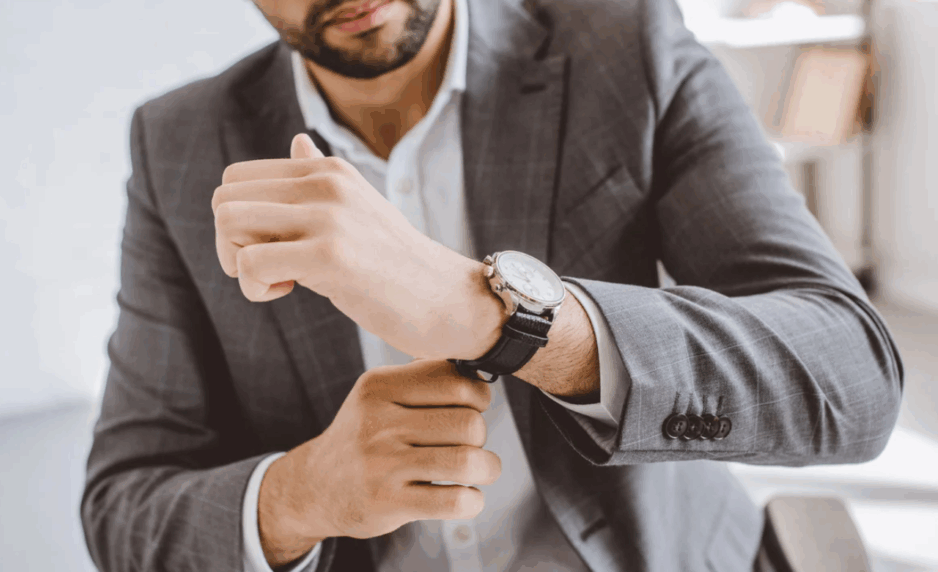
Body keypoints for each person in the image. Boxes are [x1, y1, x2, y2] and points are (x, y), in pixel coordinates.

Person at [80, 0, 905, 569]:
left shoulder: (630, 45)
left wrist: (490, 314)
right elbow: (123, 509)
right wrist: (302, 494)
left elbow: (853, 380)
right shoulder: (179, 143)